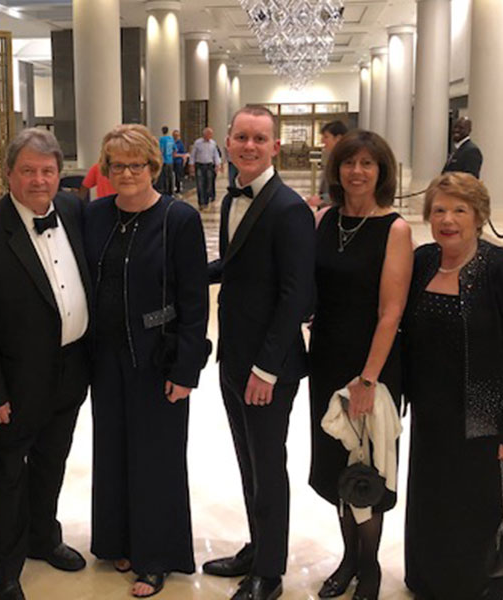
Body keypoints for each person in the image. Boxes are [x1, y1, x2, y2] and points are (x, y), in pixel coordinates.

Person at [0, 128, 91, 600]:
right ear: (8, 174)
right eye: (28, 171)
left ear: (59, 174)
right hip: (12, 383)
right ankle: (3, 567)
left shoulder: (74, 210)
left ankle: (43, 537)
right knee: (6, 474)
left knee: (52, 462)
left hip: (71, 369)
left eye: (47, 171)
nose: (39, 180)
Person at [403, 172, 503, 600]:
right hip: (433, 417)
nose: (448, 219)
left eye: (459, 210)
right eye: (439, 210)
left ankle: (483, 586)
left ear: (479, 216)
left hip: (490, 419)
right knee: (436, 504)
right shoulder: (425, 261)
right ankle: (430, 579)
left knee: (483, 510)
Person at [84, 124, 209, 598]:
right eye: (118, 164)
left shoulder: (179, 219)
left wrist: (186, 370)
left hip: (159, 356)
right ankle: (118, 539)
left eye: (137, 164)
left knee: (156, 458)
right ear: (107, 169)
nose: (128, 173)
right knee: (112, 450)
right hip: (105, 356)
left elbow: (194, 300)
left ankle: (155, 556)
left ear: (154, 167)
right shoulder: (94, 216)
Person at [204, 106, 315, 600]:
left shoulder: (288, 208)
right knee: (248, 460)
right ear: (228, 142)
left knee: (267, 465)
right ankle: (258, 546)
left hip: (267, 367)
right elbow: (234, 265)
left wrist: (266, 369)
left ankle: (269, 573)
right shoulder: (234, 201)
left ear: (274, 146)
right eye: (242, 137)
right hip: (234, 357)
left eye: (259, 139)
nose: (249, 146)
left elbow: (296, 295)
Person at [308, 130, 413, 600]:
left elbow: (391, 312)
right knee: (337, 465)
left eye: (368, 164)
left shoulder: (395, 228)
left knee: (368, 468)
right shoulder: (325, 220)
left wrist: (367, 379)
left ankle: (367, 568)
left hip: (369, 366)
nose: (357, 171)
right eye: (350, 162)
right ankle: (348, 557)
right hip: (326, 359)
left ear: (382, 172)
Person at [307, 120, 348, 208]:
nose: (322, 140)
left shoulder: (345, 162)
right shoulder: (332, 158)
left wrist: (322, 199)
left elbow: (346, 191)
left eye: (326, 137)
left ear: (338, 138)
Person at [189, 127, 221, 209]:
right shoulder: (198, 143)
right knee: (200, 184)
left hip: (209, 165)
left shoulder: (213, 143)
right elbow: (193, 155)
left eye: (211, 134)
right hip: (199, 165)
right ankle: (201, 202)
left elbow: (215, 155)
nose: (210, 136)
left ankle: (206, 200)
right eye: (208, 134)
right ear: (204, 134)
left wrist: (218, 165)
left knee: (208, 184)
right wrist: (191, 165)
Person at [157, 125, 175, 195]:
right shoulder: (171, 139)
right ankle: (171, 190)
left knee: (164, 177)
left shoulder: (162, 139)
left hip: (164, 160)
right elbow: (174, 149)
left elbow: (161, 150)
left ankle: (165, 191)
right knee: (170, 176)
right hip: (170, 160)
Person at [172, 129, 188, 193]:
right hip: (171, 161)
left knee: (178, 175)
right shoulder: (171, 142)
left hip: (178, 161)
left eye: (177, 135)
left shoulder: (180, 144)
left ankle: (178, 187)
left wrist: (177, 155)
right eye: (174, 135)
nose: (176, 136)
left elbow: (183, 154)